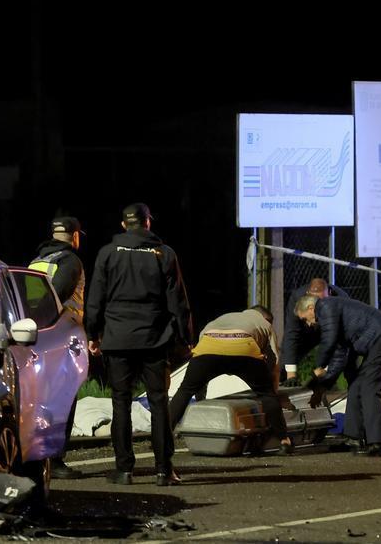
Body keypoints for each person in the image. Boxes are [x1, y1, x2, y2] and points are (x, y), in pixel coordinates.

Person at [85, 203, 189, 486]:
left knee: (121, 403)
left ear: (123, 225)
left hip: (117, 339)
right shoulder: (164, 254)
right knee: (158, 402)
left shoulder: (107, 253)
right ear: (147, 224)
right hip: (154, 339)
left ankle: (124, 470)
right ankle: (163, 470)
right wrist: (185, 337)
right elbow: (177, 301)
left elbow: (95, 298)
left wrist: (92, 333)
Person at [168, 305, 292, 453]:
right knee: (266, 394)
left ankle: (163, 436)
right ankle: (284, 441)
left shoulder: (221, 319)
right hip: (244, 348)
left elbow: (201, 351)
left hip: (208, 347)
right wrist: (272, 392)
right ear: (266, 318)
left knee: (185, 390)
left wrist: (200, 398)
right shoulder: (264, 323)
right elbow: (274, 364)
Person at [294, 294, 381, 456]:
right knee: (356, 385)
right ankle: (353, 438)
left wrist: (319, 366)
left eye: (305, 319)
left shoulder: (325, 306)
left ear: (310, 308)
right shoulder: (335, 321)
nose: (307, 324)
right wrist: (323, 385)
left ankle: (379, 442)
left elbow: (328, 342)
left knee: (369, 387)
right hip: (377, 339)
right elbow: (338, 357)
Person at [30, 215, 88, 480]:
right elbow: (59, 295)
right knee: (64, 396)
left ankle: (38, 453)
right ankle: (56, 458)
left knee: (42, 397)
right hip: (63, 336)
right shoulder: (71, 261)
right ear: (75, 236)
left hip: (35, 335)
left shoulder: (37, 260)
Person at [281, 277, 348, 385]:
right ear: (307, 294)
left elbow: (339, 339)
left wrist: (324, 369)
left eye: (322, 300)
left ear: (329, 294)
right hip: (306, 334)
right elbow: (292, 333)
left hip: (332, 331)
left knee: (345, 364)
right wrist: (291, 375)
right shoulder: (297, 298)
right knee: (284, 366)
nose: (318, 306)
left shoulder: (341, 299)